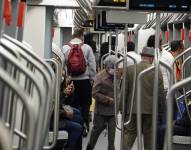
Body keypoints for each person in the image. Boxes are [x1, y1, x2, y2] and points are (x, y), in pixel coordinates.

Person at [120, 47, 164, 150]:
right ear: (152, 58)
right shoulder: (156, 71)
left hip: (132, 109)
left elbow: (124, 92)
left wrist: (122, 109)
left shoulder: (130, 70)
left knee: (128, 137)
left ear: (141, 56)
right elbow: (160, 93)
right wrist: (161, 109)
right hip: (150, 110)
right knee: (149, 139)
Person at [62, 28, 96, 136]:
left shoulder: (65, 48)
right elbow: (92, 65)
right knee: (85, 106)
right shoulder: (87, 48)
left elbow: (62, 66)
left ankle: (73, 124)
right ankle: (84, 127)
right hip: (84, 81)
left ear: (73, 36)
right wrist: (91, 78)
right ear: (81, 36)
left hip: (70, 82)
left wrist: (66, 78)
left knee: (70, 104)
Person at [86, 55, 119, 150]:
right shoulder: (99, 77)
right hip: (101, 111)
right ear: (108, 67)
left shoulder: (116, 76)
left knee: (112, 135)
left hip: (112, 111)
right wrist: (107, 99)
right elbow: (94, 93)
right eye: (114, 67)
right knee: (96, 131)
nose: (116, 69)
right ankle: (89, 147)